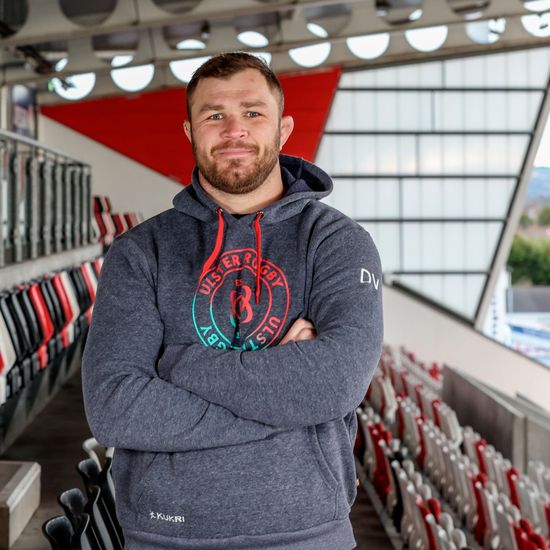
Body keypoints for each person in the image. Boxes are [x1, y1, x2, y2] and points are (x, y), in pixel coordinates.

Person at [82, 51, 383, 550]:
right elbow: (115, 409)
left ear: (283, 128)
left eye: (252, 113)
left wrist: (179, 364)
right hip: (164, 533)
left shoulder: (337, 243)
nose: (234, 130)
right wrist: (284, 399)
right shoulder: (141, 252)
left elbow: (334, 383)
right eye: (214, 115)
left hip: (308, 531)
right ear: (190, 131)